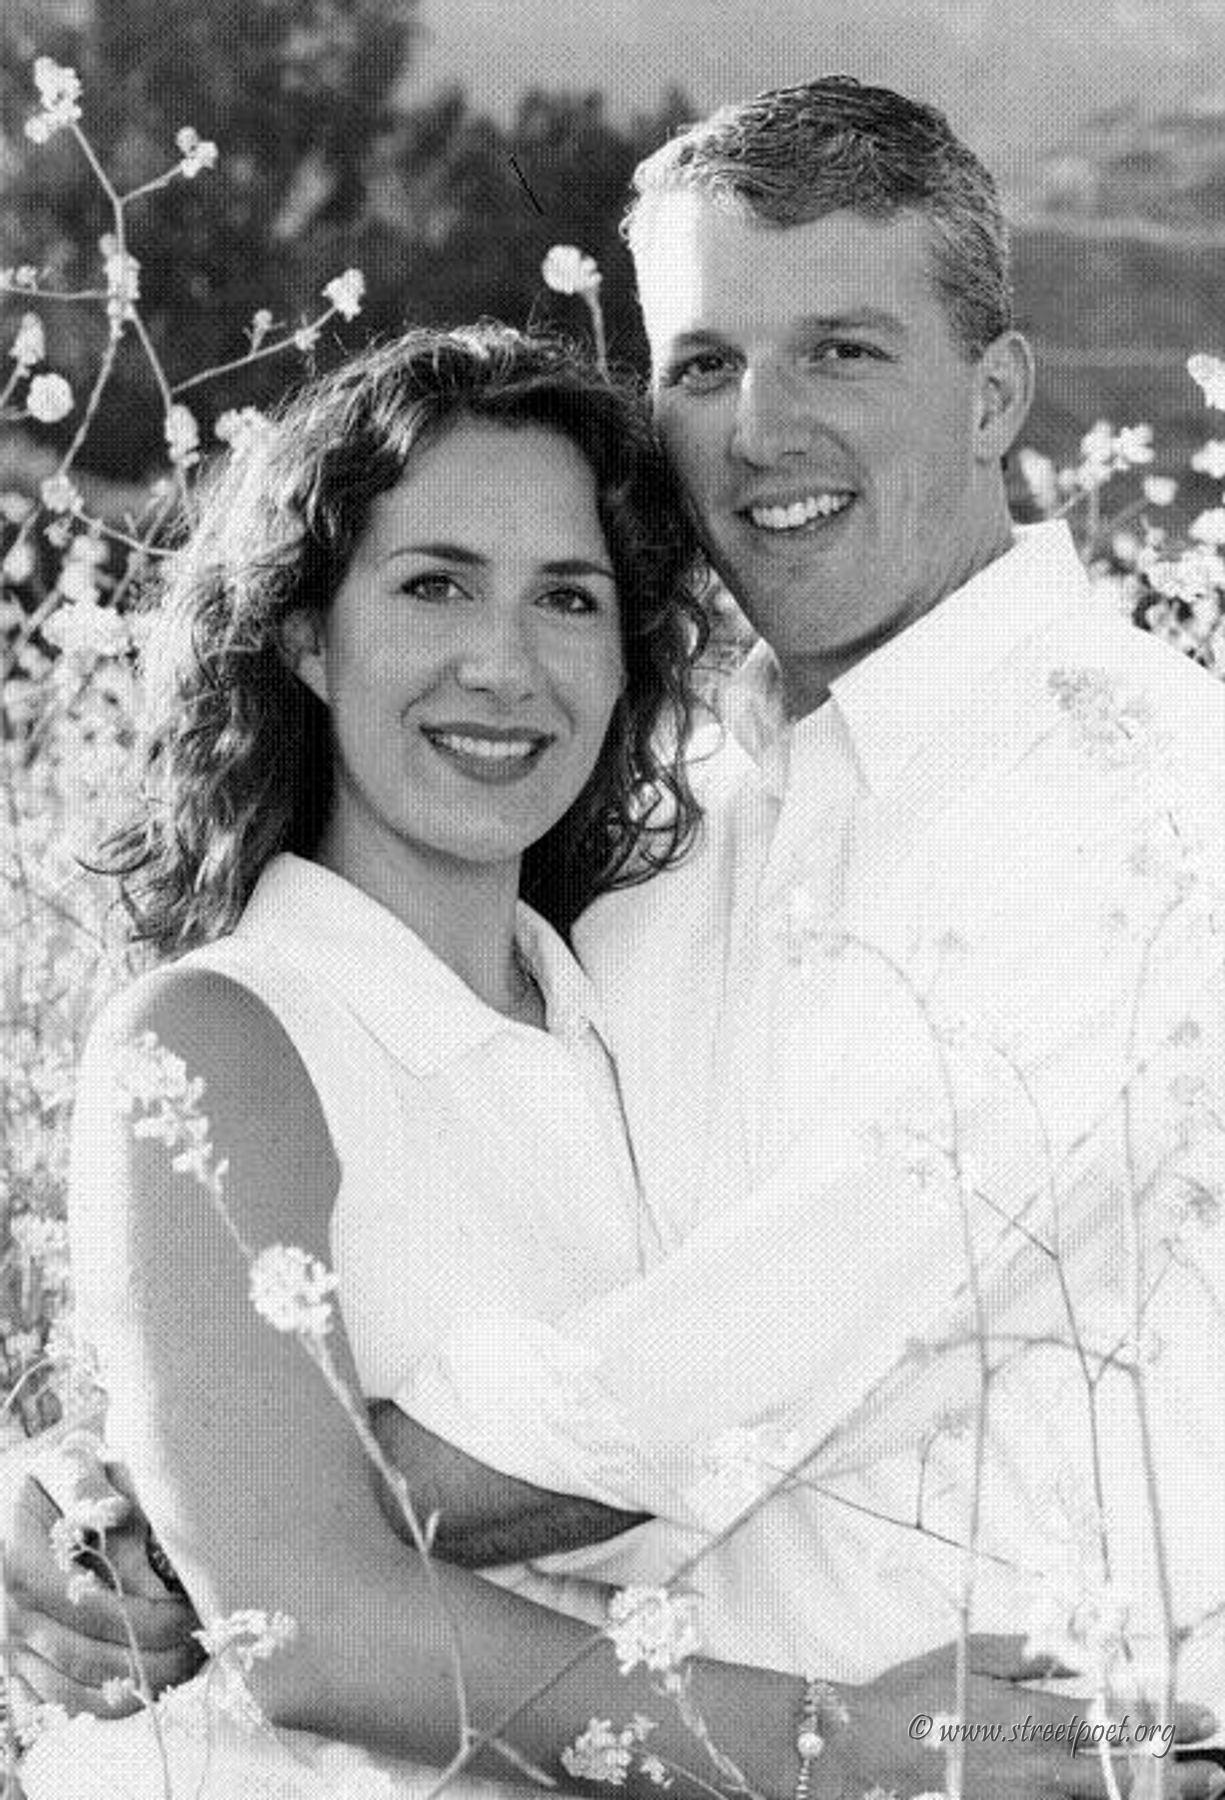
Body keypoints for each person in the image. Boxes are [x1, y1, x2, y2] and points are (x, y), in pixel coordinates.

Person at [9, 81, 1225, 1797]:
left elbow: (765, 1333)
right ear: (303, 637)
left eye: (843, 352)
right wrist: (134, 1480)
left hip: (1033, 1758)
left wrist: (216, 1520)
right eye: (704, 363)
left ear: (996, 395)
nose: (760, 430)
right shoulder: (671, 848)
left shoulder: (1149, 797)